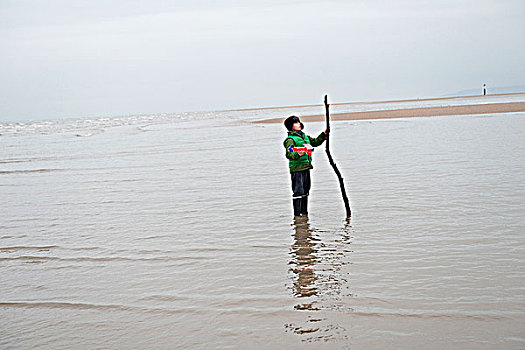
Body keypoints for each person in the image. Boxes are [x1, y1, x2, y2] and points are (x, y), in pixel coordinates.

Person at [283, 115, 328, 217]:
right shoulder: (290, 139)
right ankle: (297, 215)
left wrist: (323, 135)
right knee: (298, 191)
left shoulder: (305, 137)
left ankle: (304, 215)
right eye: (295, 123)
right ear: (290, 126)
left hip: (306, 167)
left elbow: (315, 142)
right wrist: (297, 154)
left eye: (298, 122)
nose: (298, 124)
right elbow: (288, 153)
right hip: (296, 168)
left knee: (306, 190)